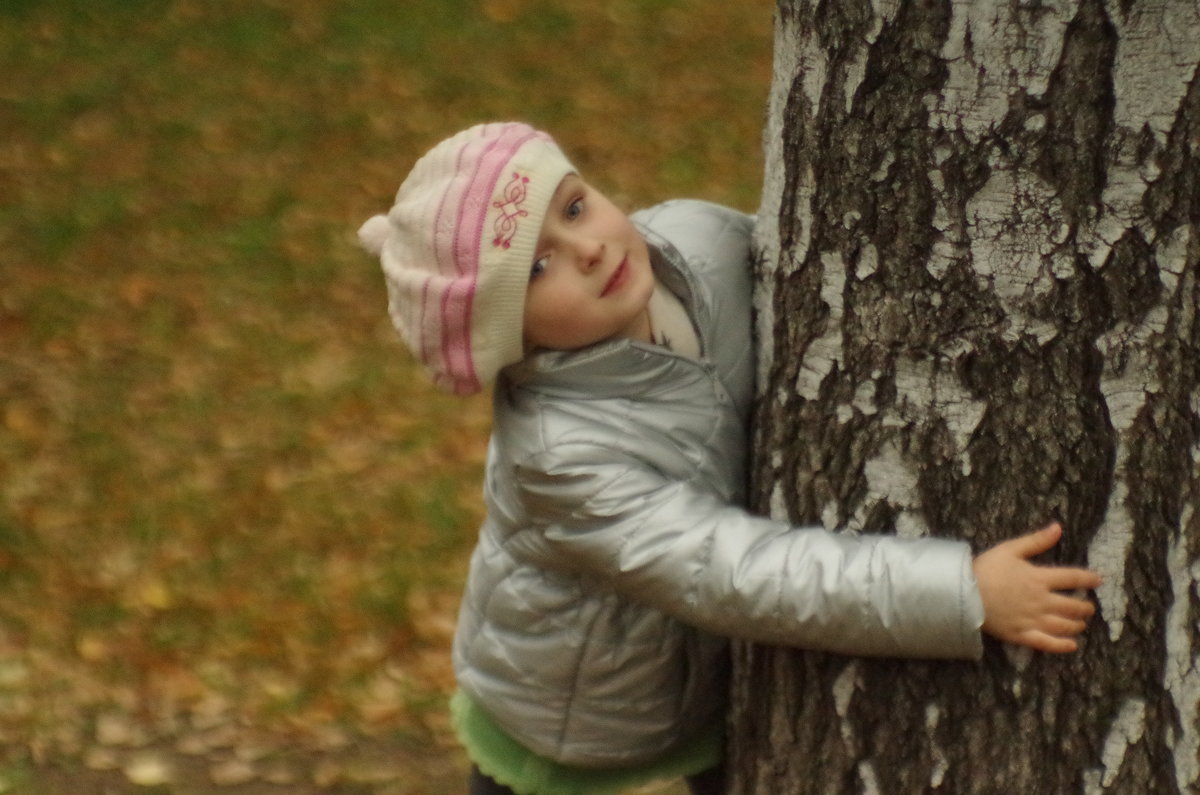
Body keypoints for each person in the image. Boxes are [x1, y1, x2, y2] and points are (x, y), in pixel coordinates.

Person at [357, 122, 1101, 795]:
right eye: (538, 268)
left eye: (576, 207)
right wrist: (959, 591)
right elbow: (733, 571)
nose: (586, 249)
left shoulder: (701, 241)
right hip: (570, 705)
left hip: (715, 674)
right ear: (508, 335)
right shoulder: (560, 458)